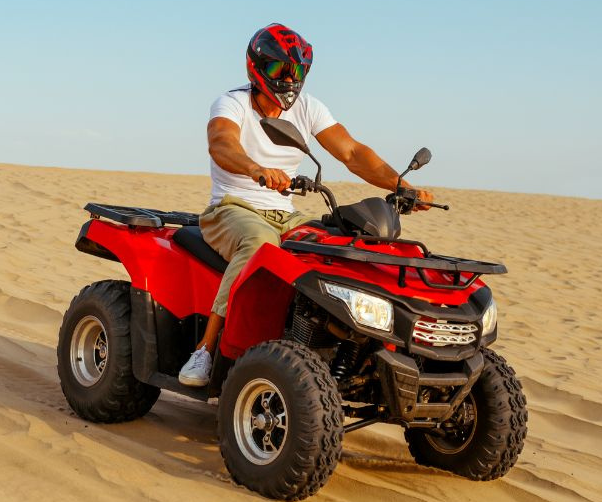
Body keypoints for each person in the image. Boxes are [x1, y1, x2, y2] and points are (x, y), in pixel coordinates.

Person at [178, 23, 434, 386]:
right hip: (232, 208)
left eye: (296, 71)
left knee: (336, 246)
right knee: (259, 246)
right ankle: (205, 350)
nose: (288, 79)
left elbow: (352, 151)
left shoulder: (308, 107)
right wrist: (255, 169)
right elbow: (221, 143)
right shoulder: (232, 103)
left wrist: (401, 185)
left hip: (286, 214)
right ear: (256, 67)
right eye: (279, 69)